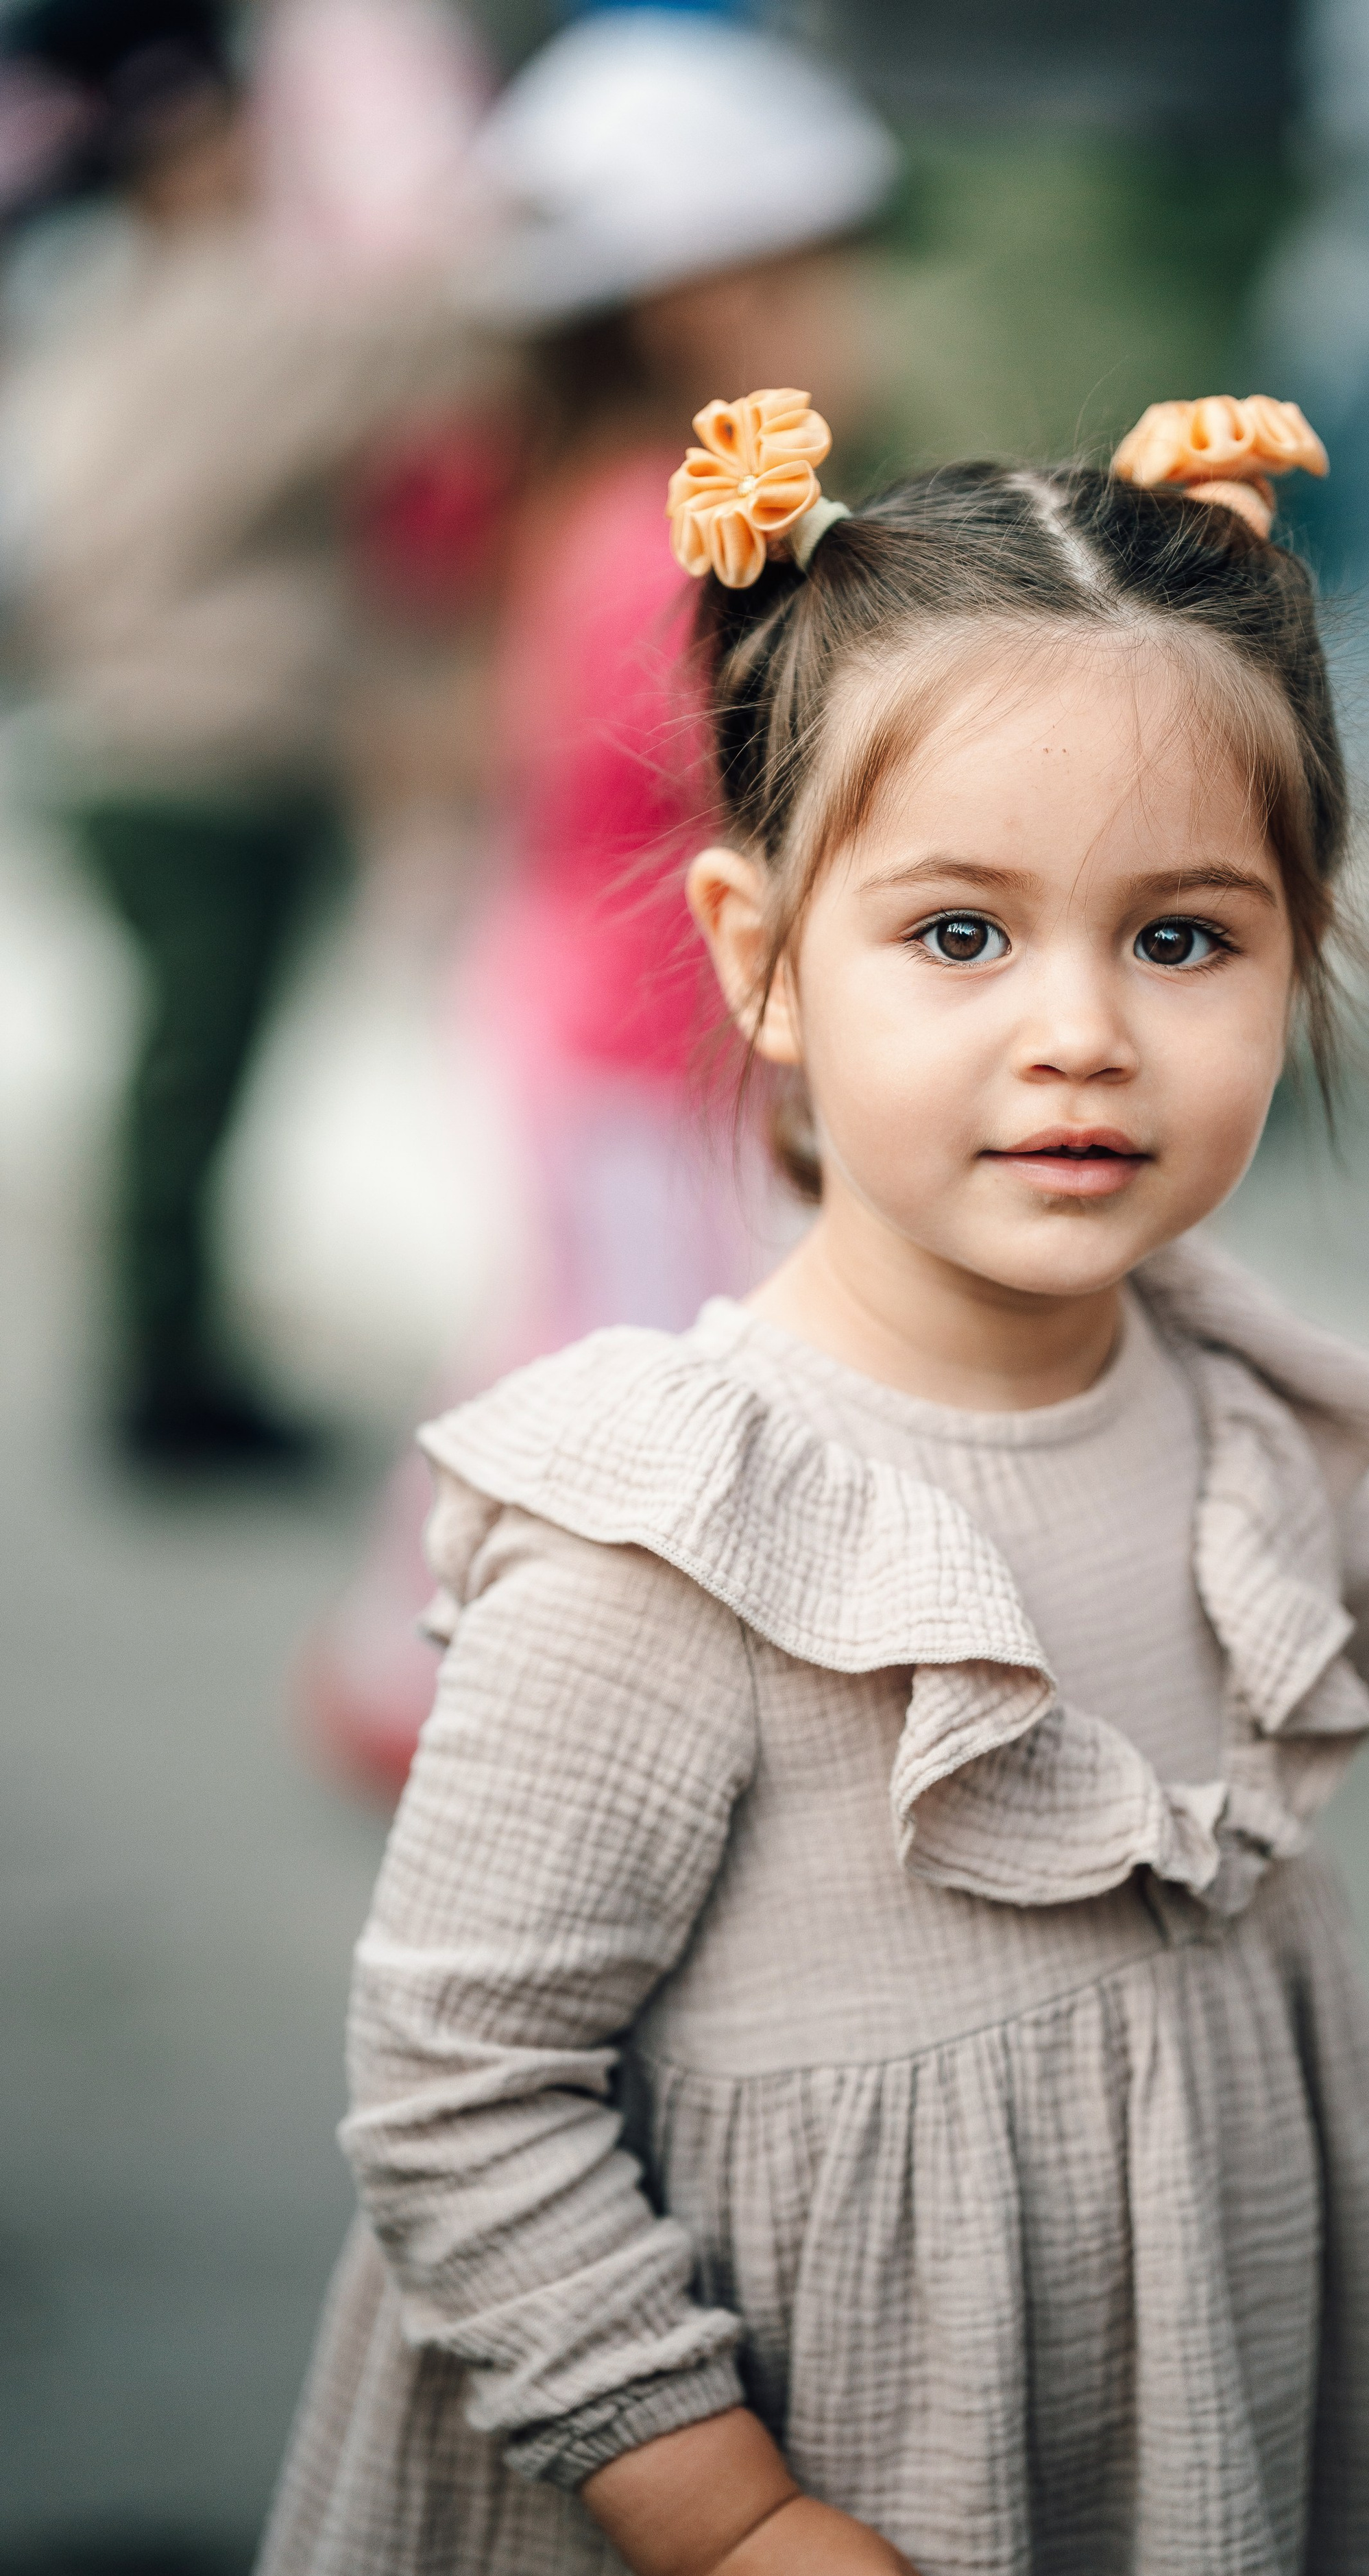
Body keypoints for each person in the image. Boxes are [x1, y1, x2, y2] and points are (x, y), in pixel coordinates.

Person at [245, 387, 1369, 2576]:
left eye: (1182, 939)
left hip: (1174, 2438)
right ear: (762, 956)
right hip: (772, 2489)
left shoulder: (1214, 1386)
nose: (1082, 1034)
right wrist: (731, 2527)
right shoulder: (677, 1537)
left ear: (1303, 946)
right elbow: (465, 2089)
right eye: (960, 936)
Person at [302, 3, 897, 1791]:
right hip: (631, 1053)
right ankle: (540, 1717)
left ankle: (399, 1675)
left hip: (608, 1032)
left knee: (568, 1349)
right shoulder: (662, 538)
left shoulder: (611, 501)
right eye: (815, 278)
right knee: (651, 1390)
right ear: (703, 300)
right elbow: (754, 777)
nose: (850, 323)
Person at [0, 0, 474, 1466]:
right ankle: (165, 1375)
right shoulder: (225, 313)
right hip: (204, 757)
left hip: (135, 749)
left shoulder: (94, 307)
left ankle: (172, 1356)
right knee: (192, 1084)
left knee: (185, 1081)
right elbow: (424, 346)